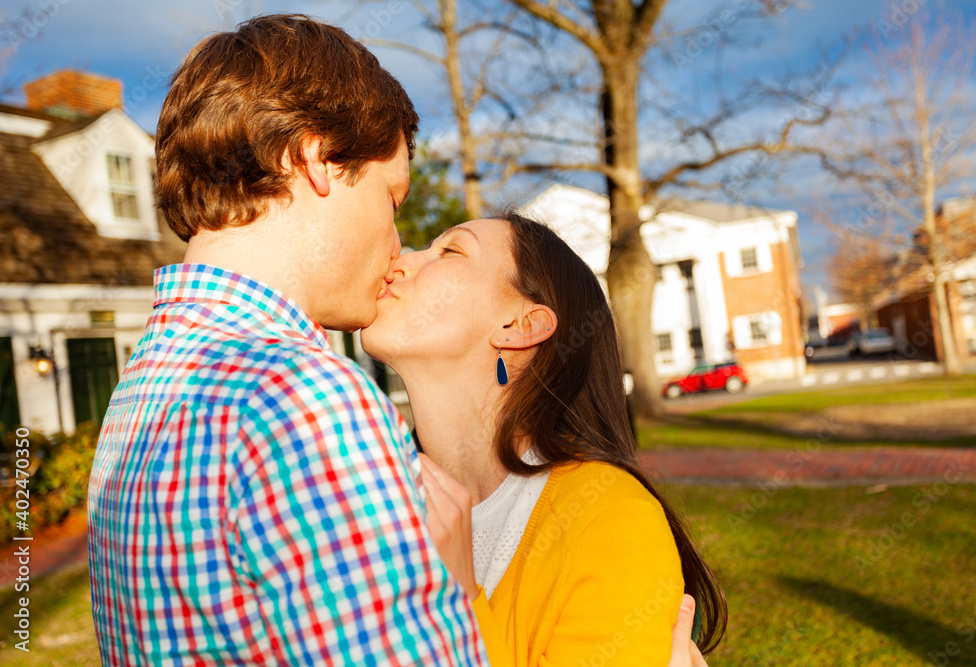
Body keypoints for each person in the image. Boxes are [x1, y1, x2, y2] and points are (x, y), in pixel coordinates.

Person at [86, 15, 490, 665]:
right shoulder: (300, 395)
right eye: (393, 199)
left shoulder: (139, 396)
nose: (396, 242)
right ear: (312, 158)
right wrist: (459, 589)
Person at [361, 213, 727, 665]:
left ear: (521, 326)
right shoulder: (364, 499)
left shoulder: (610, 521)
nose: (400, 260)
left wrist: (456, 590)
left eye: (450, 250)